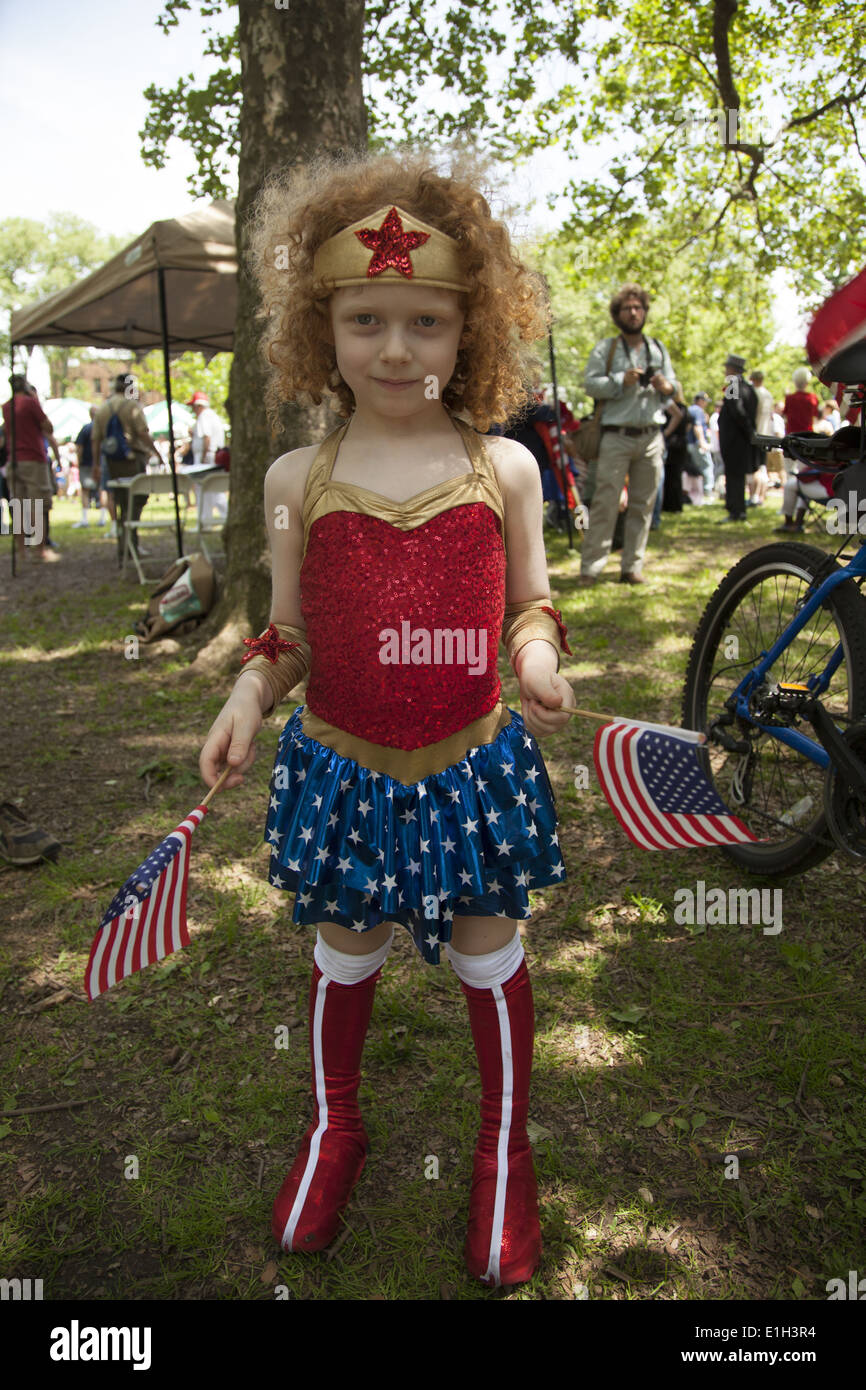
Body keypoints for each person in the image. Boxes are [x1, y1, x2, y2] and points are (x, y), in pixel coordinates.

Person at [198, 152, 576, 1289]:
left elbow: (528, 602)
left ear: (474, 329)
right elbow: (289, 633)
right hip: (344, 771)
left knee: (485, 949)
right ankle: (335, 1130)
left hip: (470, 767)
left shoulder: (500, 465)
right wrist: (246, 690)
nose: (398, 349)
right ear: (323, 328)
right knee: (343, 951)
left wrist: (538, 657)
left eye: (426, 320)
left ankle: (502, 1156)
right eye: (367, 320)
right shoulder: (293, 479)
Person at [579, 282, 676, 585]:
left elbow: (673, 387)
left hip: (651, 436)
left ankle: (632, 567)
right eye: (627, 308)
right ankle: (591, 568)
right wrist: (621, 380)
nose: (633, 313)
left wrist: (665, 387)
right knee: (605, 502)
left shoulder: (657, 348)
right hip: (615, 436)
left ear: (645, 312)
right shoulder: (605, 349)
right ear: (617, 314)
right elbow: (590, 384)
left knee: (643, 504)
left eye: (638, 308)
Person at [91, 374, 161, 561]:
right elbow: (142, 433)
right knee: (136, 502)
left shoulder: (102, 409)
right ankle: (131, 544)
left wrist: (96, 464)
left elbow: (96, 440)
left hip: (112, 461)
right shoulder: (131, 407)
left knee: (121, 502)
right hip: (133, 459)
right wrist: (156, 452)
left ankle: (125, 545)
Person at [1, 375, 59, 563]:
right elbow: (48, 427)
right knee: (37, 506)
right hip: (33, 459)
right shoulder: (29, 404)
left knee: (18, 506)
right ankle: (38, 550)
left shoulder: (7, 407)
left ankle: (21, 551)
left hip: (14, 460)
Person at [718, 354, 758, 523]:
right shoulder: (748, 387)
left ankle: (736, 510)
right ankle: (736, 508)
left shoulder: (734, 386)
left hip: (735, 439)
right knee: (737, 475)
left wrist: (748, 431)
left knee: (734, 475)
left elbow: (738, 410)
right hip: (741, 439)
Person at [72, 406, 107, 529]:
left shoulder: (86, 429)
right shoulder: (104, 428)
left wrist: (79, 459)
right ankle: (102, 518)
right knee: (102, 490)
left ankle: (85, 519)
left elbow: (79, 447)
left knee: (86, 491)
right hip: (101, 463)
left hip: (87, 464)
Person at [685, 391, 715, 502]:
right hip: (697, 444)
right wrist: (702, 442)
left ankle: (694, 492)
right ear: (700, 401)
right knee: (707, 466)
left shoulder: (690, 409)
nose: (706, 404)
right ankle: (707, 491)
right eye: (705, 401)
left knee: (693, 469)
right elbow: (697, 427)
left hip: (689, 443)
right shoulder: (698, 411)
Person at [783, 368, 820, 434]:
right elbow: (815, 417)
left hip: (792, 434)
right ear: (807, 383)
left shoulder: (789, 398)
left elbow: (785, 416)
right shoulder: (813, 398)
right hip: (807, 435)